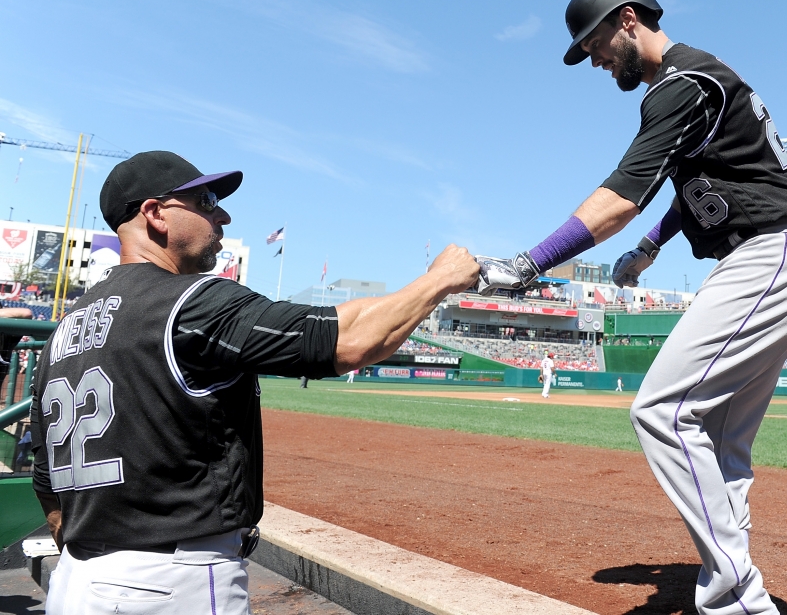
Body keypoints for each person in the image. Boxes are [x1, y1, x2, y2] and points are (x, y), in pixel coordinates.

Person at [475, 0, 787, 615]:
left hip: (769, 253)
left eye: (595, 44)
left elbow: (622, 193)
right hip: (778, 253)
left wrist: (531, 262)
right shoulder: (702, 78)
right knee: (719, 440)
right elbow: (700, 178)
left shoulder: (680, 84)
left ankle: (737, 601)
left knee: (662, 412)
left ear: (628, 19)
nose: (596, 60)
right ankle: (735, 584)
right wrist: (652, 247)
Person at [30, 151, 479, 615]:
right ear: (155, 214)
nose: (222, 215)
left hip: (75, 583)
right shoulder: (191, 302)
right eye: (205, 201)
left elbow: (46, 478)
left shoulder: (66, 327)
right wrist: (439, 280)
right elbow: (349, 342)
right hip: (171, 583)